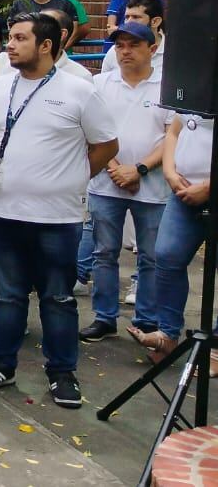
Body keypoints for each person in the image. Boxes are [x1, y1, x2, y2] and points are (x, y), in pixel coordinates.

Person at [0, 13, 117, 408]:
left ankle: (62, 373)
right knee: (7, 296)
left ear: (47, 45)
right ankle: (1, 364)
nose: (8, 45)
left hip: (57, 218)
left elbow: (106, 145)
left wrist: (70, 176)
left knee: (57, 298)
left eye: (19, 38)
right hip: (1, 215)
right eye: (9, 38)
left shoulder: (79, 90)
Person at [79, 22, 166, 345]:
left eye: (134, 45)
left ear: (152, 49)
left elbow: (172, 137)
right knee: (104, 252)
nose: (125, 51)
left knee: (151, 255)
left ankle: (146, 319)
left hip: (153, 186)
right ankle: (104, 317)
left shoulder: (166, 86)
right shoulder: (99, 84)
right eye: (120, 45)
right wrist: (115, 167)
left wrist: (139, 169)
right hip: (107, 182)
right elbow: (91, 132)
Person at [136, 110, 214, 360]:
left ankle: (215, 351)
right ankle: (168, 335)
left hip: (207, 189)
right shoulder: (196, 87)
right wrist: (170, 171)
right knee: (167, 255)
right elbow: (174, 131)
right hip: (183, 191)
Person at [102, 0, 165, 75]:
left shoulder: (173, 54)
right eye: (127, 17)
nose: (129, 22)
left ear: (155, 22)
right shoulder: (115, 51)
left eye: (136, 17)